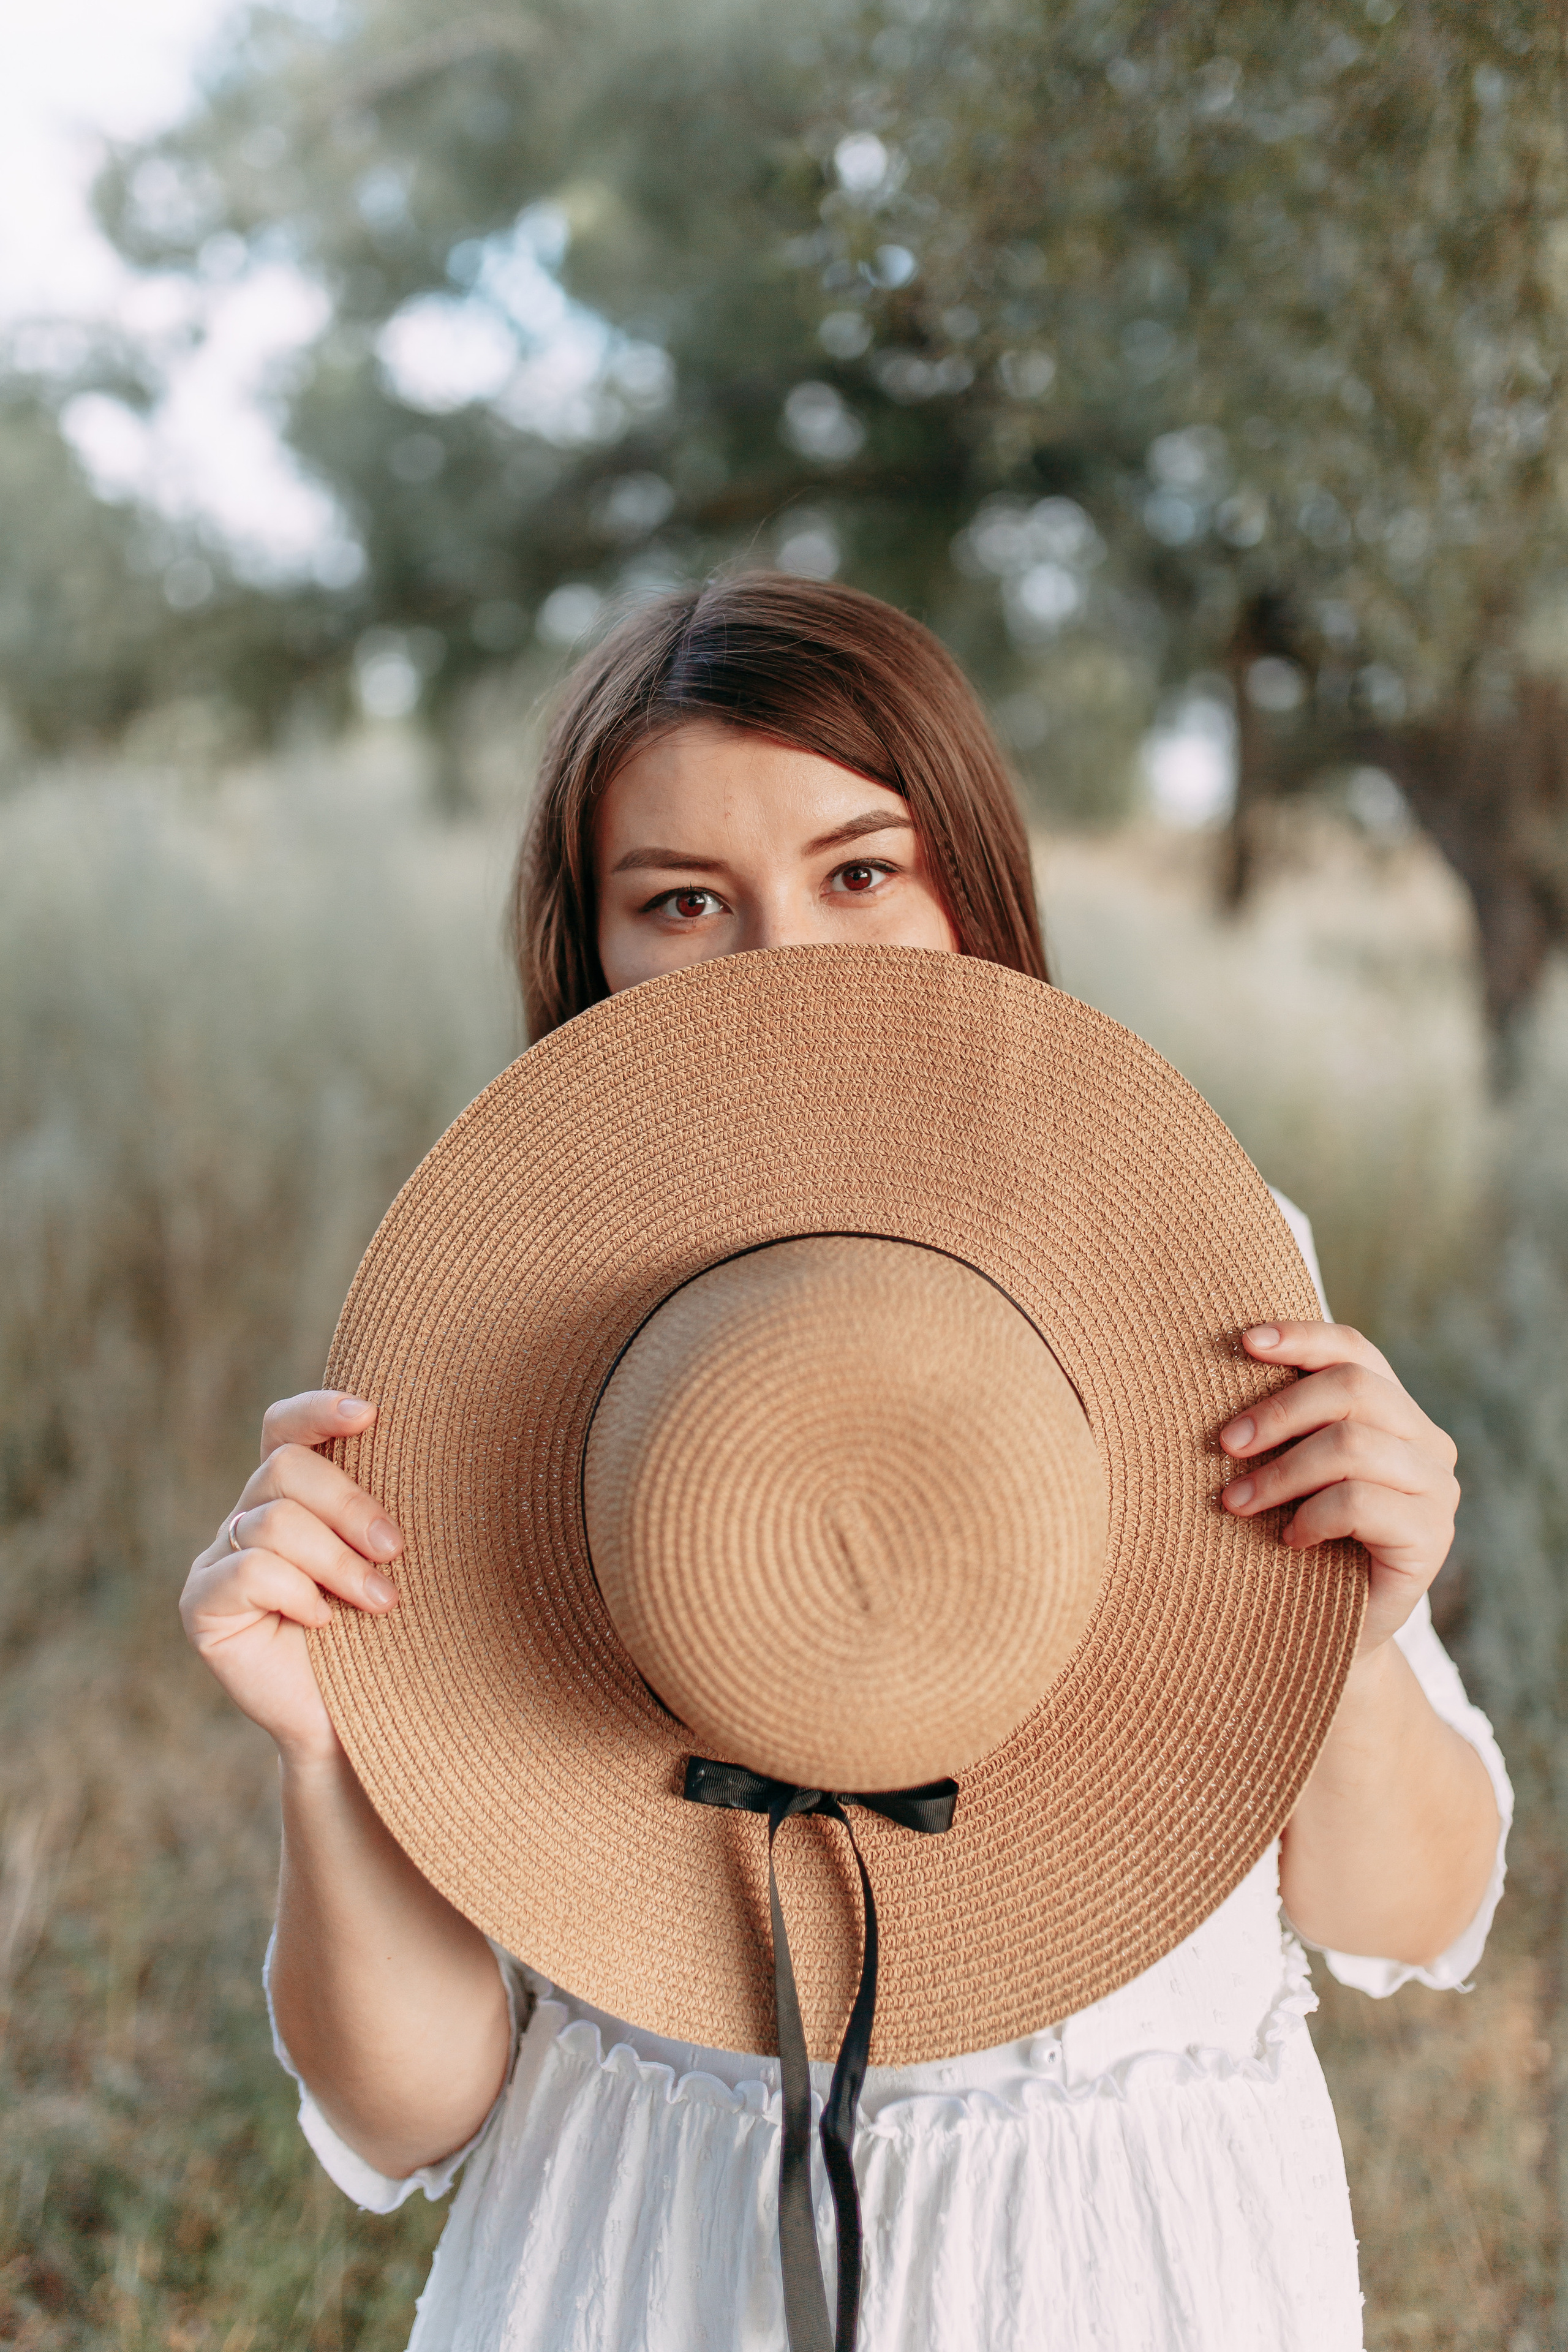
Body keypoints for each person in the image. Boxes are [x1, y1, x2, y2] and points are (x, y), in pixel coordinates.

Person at [179, 573, 1508, 2351]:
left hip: (1142, 2271)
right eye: (682, 901)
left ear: (976, 886)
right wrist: (328, 1754)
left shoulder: (1186, 1258)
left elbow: (1397, 1913)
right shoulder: (481, 1336)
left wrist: (1346, 1627)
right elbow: (407, 2108)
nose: (785, 963)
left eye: (861, 871)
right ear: (594, 952)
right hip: (653, 2261)